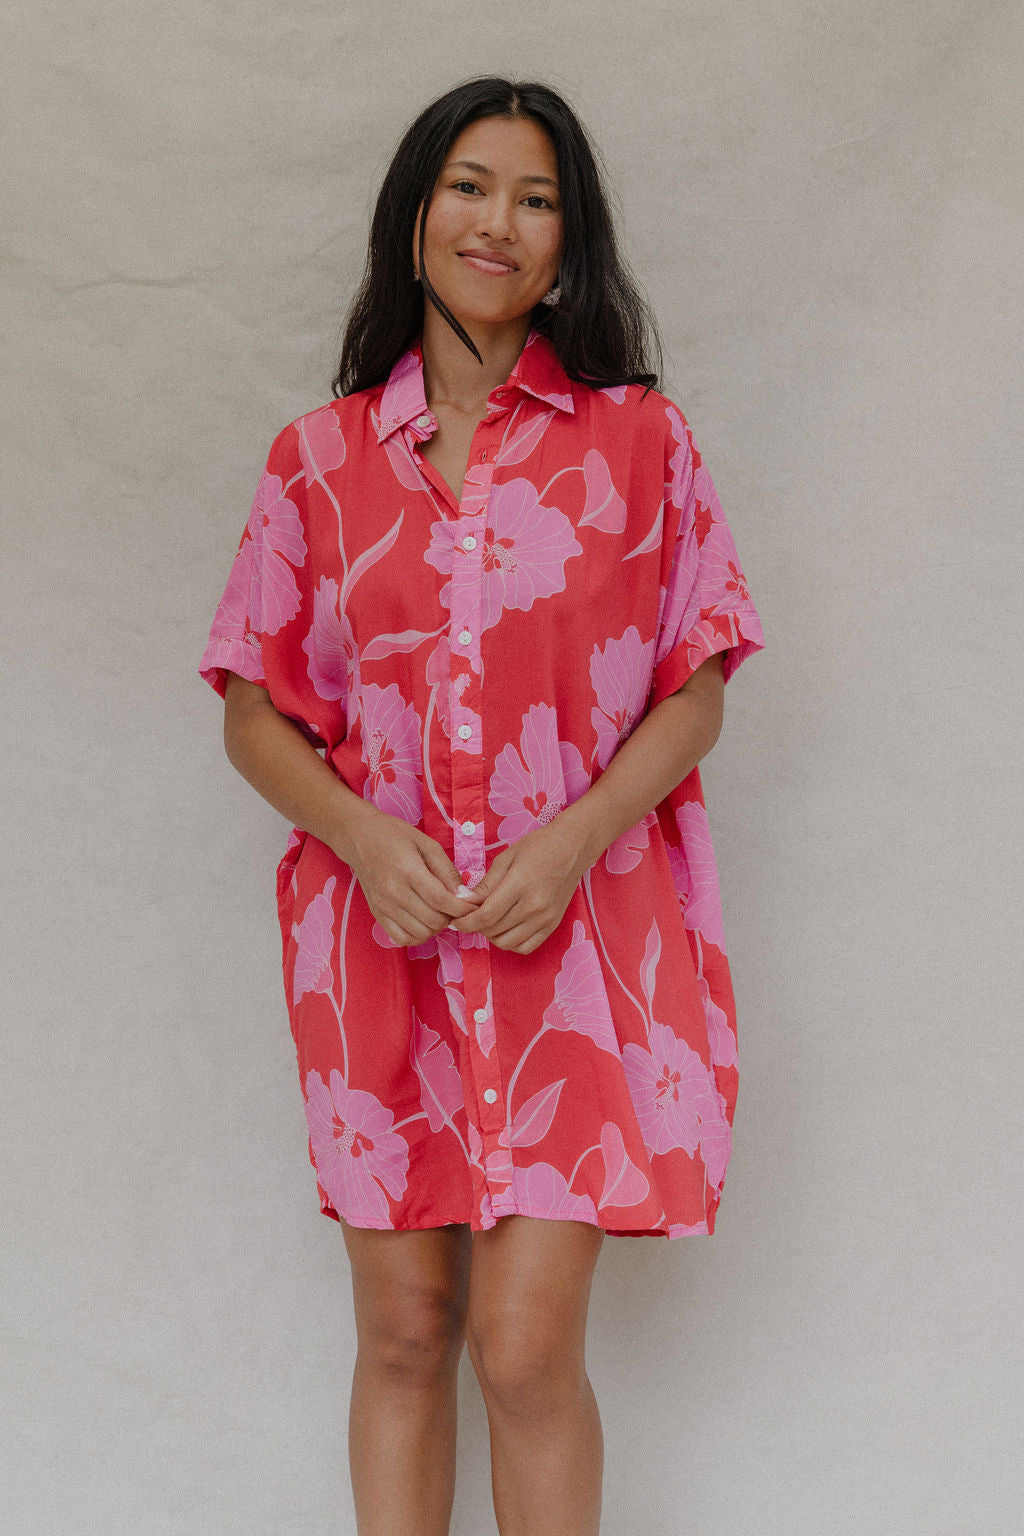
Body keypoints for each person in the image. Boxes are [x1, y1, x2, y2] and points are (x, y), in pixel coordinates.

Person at [198, 74, 764, 1536]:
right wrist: (360, 837)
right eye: (467, 185)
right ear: (415, 212)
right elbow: (253, 708)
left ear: (568, 239)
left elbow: (697, 687)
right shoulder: (315, 467)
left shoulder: (640, 444)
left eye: (534, 196)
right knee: (401, 1336)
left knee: (520, 1350)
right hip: (377, 940)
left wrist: (572, 839)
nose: (495, 222)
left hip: (575, 938)